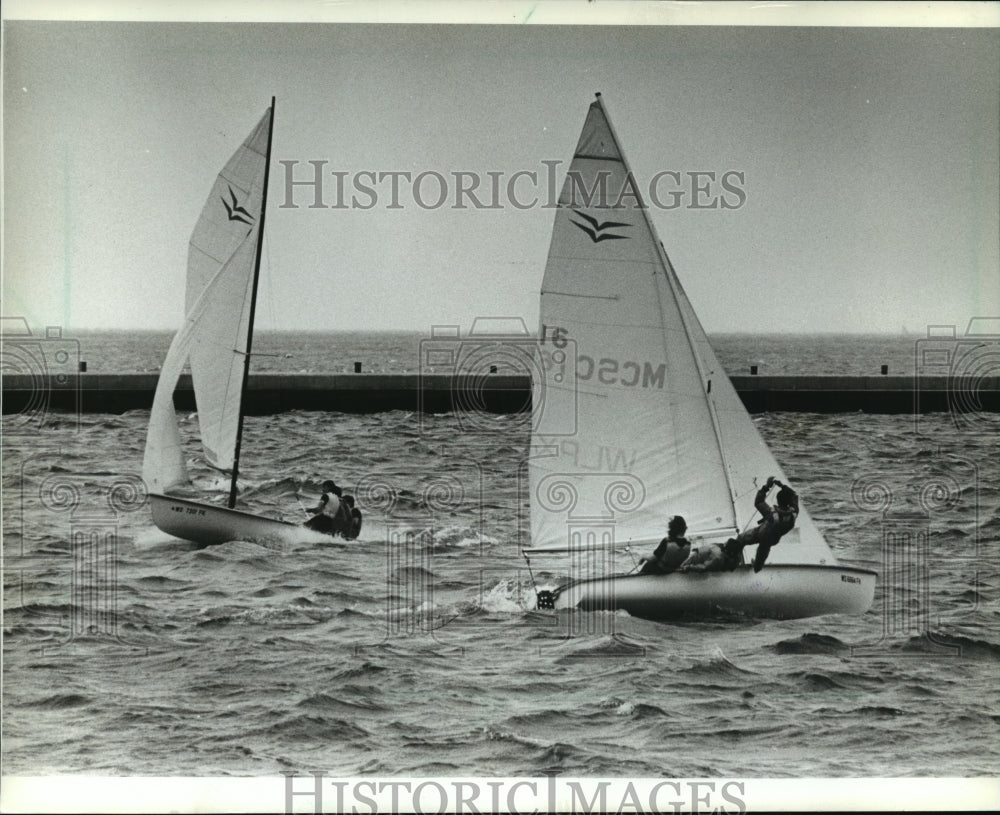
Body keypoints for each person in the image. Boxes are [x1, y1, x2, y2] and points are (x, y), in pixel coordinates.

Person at [729, 475, 799, 572]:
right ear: (789, 502)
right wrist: (783, 486)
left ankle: (732, 562)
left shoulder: (771, 513)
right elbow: (795, 495)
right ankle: (757, 568)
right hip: (773, 539)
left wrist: (766, 486)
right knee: (761, 555)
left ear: (778, 501)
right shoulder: (794, 513)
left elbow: (758, 502)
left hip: (760, 533)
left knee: (741, 539)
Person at [678, 538, 742, 573]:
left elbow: (704, 567)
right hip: (697, 555)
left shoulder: (717, 556)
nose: (724, 543)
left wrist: (689, 567)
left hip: (693, 560)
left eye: (726, 543)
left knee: (680, 566)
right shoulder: (734, 556)